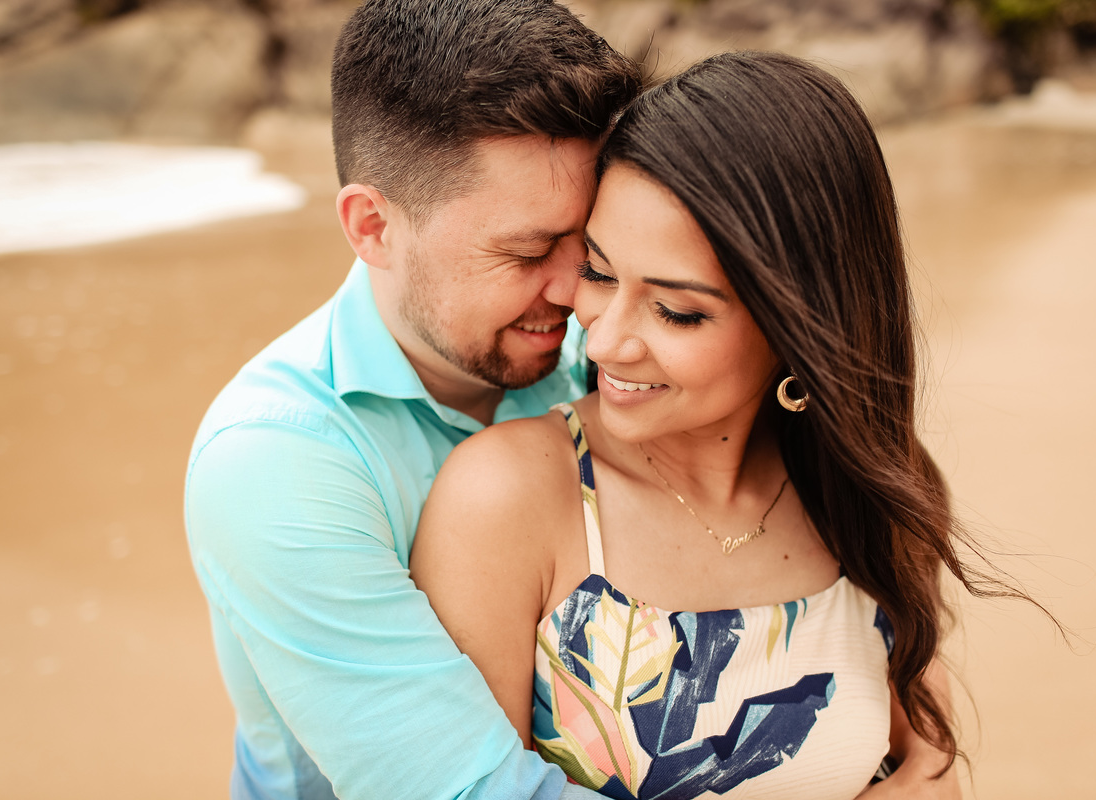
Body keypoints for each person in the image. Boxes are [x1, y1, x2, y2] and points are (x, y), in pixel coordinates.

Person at [411, 51, 970, 799]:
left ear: (799, 323)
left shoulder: (871, 492)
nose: (605, 340)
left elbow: (930, 774)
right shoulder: (510, 500)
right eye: (600, 273)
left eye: (676, 310)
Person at [183, 1, 640, 798]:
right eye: (529, 251)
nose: (576, 291)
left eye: (590, 243)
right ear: (372, 227)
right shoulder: (276, 460)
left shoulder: (610, 355)